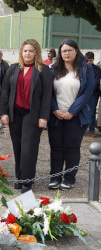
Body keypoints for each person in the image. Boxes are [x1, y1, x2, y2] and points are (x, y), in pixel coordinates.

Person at [0, 39, 53, 193]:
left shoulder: (43, 70)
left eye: (31, 51)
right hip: (15, 113)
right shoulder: (14, 68)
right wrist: (3, 113)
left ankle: (27, 181)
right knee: (18, 147)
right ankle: (20, 177)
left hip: (33, 114)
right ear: (21, 53)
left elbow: (47, 95)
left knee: (28, 148)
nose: (27, 53)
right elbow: (5, 92)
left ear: (36, 52)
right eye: (25, 51)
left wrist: (44, 117)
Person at [48, 39, 94, 190]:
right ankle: (55, 177)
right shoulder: (54, 69)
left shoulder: (86, 69)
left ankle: (69, 178)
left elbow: (87, 93)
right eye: (63, 51)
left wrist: (71, 111)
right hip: (56, 115)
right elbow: (49, 93)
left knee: (72, 147)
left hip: (76, 117)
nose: (66, 53)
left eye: (69, 50)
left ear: (76, 51)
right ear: (60, 54)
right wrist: (55, 109)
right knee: (56, 147)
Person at [85, 51, 101, 136]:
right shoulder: (82, 68)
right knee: (82, 111)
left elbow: (96, 82)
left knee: (92, 112)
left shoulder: (97, 70)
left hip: (93, 94)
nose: (88, 62)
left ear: (93, 59)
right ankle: (83, 128)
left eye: (90, 60)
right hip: (83, 94)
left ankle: (91, 129)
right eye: (87, 60)